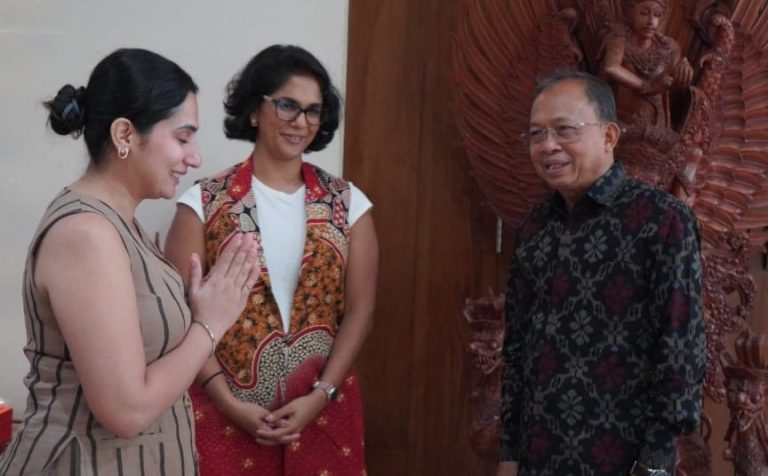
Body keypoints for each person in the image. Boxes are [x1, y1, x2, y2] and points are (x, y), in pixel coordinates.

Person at [0, 48, 260, 475]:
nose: (195, 158)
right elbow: (126, 410)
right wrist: (210, 324)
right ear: (124, 134)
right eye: (182, 138)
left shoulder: (122, 224)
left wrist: (196, 310)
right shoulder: (86, 234)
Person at [164, 44, 378, 475]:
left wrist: (321, 395)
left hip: (323, 412)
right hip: (221, 415)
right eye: (287, 105)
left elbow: (360, 311)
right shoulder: (203, 203)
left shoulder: (348, 203)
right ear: (254, 109)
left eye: (313, 111)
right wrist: (227, 401)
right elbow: (181, 313)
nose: (301, 122)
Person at [496, 70, 705, 476]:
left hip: (625, 460)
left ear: (609, 136)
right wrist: (509, 453)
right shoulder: (535, 228)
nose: (548, 145)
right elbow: (517, 350)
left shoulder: (662, 220)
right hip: (538, 459)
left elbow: (682, 352)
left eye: (564, 130)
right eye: (536, 134)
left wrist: (654, 464)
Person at [601, 0, 693, 131]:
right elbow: (611, 67)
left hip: (655, 123)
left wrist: (683, 73)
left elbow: (671, 84)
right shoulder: (619, 40)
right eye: (644, 13)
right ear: (630, 13)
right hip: (620, 120)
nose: (651, 21)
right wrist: (646, 86)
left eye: (657, 15)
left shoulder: (669, 47)